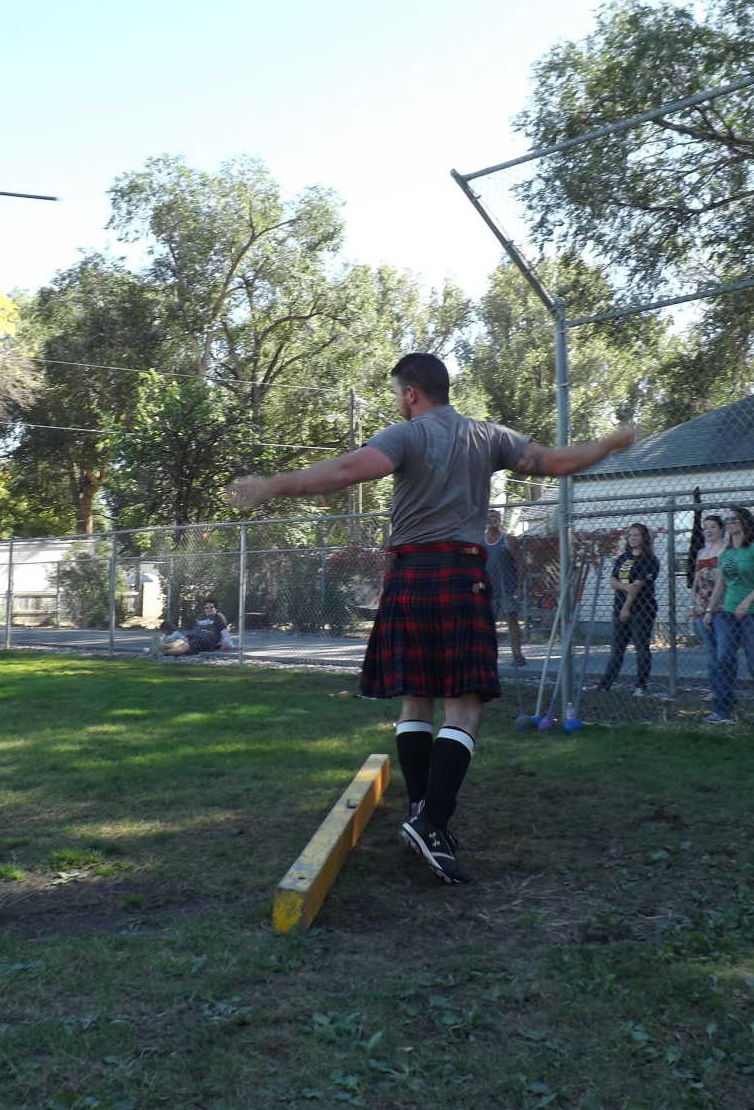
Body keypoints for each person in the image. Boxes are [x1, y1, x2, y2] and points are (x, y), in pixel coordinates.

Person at [227, 353, 635, 884]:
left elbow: (346, 471)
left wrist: (272, 485)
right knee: (463, 706)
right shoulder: (488, 436)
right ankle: (431, 821)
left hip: (409, 577)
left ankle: (424, 813)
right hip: (461, 576)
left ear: (411, 393)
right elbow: (554, 462)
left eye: (399, 394)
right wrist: (607, 444)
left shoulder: (406, 435)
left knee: (416, 698)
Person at [703, 506, 754, 725]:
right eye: (727, 520)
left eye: (734, 519)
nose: (729, 523)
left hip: (753, 615)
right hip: (727, 614)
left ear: (745, 523)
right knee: (724, 659)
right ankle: (722, 710)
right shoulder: (726, 553)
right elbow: (721, 585)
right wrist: (710, 610)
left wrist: (747, 601)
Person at [597, 523, 660, 696]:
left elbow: (637, 587)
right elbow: (613, 581)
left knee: (641, 647)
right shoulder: (623, 558)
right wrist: (625, 587)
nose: (633, 538)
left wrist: (626, 608)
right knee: (617, 648)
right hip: (620, 607)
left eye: (637, 535)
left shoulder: (650, 560)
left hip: (642, 610)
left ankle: (641, 686)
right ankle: (605, 684)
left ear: (644, 538)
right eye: (630, 535)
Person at [484, 509, 528, 668]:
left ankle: (517, 656)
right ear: (485, 521)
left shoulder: (508, 540)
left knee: (512, 622)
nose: (493, 519)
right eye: (490, 517)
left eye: (496, 516)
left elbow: (521, 564)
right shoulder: (480, 541)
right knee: (487, 625)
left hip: (507, 590)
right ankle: (489, 658)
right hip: (487, 590)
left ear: (500, 520)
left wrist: (520, 587)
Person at [689, 514, 727, 699]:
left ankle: (724, 689)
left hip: (721, 606)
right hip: (701, 607)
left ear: (721, 529)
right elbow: (696, 581)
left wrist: (711, 608)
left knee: (723, 652)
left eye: (713, 526)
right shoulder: (701, 552)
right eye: (706, 528)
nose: (708, 531)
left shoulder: (726, 549)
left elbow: (723, 580)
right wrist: (693, 604)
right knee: (711, 651)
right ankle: (714, 690)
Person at [161, 598, 230, 656]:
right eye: (206, 608)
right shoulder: (201, 617)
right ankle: (162, 646)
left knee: (185, 646)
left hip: (207, 639)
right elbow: (196, 628)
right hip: (195, 636)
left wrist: (228, 644)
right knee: (179, 642)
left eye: (211, 607)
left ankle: (163, 653)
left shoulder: (218, 617)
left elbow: (224, 631)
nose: (209, 609)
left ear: (216, 608)